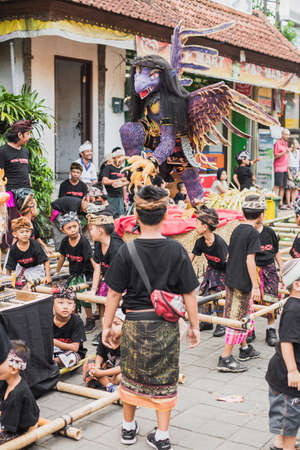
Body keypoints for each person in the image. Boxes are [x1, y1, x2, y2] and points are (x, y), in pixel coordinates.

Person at [102, 185, 200, 449]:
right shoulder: (177, 250)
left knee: (131, 374)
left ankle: (127, 429)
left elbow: (112, 295)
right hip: (166, 326)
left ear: (136, 216)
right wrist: (194, 326)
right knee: (165, 378)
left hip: (134, 324)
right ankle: (163, 436)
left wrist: (106, 326)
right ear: (165, 214)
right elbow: (189, 293)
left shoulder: (126, 250)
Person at [217, 194, 263, 373]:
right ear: (261, 215)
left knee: (241, 313)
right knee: (237, 317)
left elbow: (229, 255)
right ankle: (225, 357)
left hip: (231, 278)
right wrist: (256, 286)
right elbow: (250, 261)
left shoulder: (237, 229)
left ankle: (244, 348)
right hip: (242, 282)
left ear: (243, 212)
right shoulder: (253, 234)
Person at [266, 259, 300, 450]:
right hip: (287, 379)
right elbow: (286, 341)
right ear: (296, 285)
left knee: (290, 422)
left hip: (291, 379)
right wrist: (293, 370)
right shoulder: (294, 309)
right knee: (289, 425)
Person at [87, 208, 124, 345]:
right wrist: (93, 289)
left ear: (100, 231)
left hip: (122, 282)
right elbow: (97, 267)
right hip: (108, 279)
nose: (90, 232)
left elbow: (121, 277)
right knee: (101, 303)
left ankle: (113, 332)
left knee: (112, 305)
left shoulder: (117, 247)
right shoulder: (98, 243)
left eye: (92, 229)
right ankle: (104, 331)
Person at [55, 212, 96, 333]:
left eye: (75, 226)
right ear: (63, 230)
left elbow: (91, 259)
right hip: (73, 273)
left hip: (85, 273)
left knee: (84, 297)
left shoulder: (83, 242)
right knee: (71, 297)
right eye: (69, 228)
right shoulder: (65, 242)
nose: (72, 230)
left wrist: (97, 275)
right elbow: (62, 257)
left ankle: (90, 319)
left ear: (79, 225)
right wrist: (57, 271)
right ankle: (75, 319)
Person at [190, 206, 228, 337]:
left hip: (224, 271)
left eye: (197, 223)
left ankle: (221, 323)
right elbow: (191, 258)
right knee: (205, 291)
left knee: (217, 294)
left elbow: (228, 263)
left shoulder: (220, 244)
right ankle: (207, 321)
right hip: (211, 269)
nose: (195, 226)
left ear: (205, 226)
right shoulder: (200, 242)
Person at [0, 120, 33, 247]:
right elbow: (0, 175)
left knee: (26, 224)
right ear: (20, 135)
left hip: (25, 192)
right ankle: (10, 251)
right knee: (10, 224)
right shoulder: (3, 151)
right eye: (28, 134)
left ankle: (23, 250)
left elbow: (28, 174)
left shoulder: (25, 152)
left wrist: (31, 193)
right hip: (9, 193)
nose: (29, 137)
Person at [0, 340, 39, 444]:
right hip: (11, 421)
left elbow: (7, 428)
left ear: (13, 369)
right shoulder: (7, 382)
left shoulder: (16, 394)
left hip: (20, 431)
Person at [255, 218, 283, 347]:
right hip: (253, 270)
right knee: (252, 300)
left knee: (271, 298)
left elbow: (276, 250)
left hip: (270, 269)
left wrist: (281, 268)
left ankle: (270, 329)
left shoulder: (269, 232)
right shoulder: (248, 233)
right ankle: (250, 330)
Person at [82, 309, 124, 392]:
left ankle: (105, 383)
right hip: (108, 368)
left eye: (116, 324)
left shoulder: (129, 342)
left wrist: (101, 374)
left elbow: (124, 367)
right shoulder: (104, 336)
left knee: (121, 377)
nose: (111, 327)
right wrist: (97, 367)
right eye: (108, 324)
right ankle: (109, 385)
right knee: (89, 363)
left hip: (120, 370)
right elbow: (100, 353)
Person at [6, 217, 51, 288]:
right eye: (22, 232)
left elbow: (46, 261)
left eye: (27, 231)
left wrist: (48, 276)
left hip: (35, 267)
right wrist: (7, 282)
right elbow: (9, 267)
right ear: (15, 234)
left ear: (30, 232)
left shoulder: (35, 245)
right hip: (22, 267)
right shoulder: (14, 249)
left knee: (34, 287)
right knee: (18, 286)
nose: (25, 234)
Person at [53, 292, 87, 368]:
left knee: (71, 358)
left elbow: (75, 348)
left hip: (71, 352)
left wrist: (53, 342)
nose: (65, 307)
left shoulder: (77, 322)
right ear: (52, 305)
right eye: (60, 303)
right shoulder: (47, 320)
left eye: (69, 303)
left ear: (74, 307)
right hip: (53, 350)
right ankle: (51, 363)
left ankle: (50, 363)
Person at [102, 147, 128, 217]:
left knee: (120, 217)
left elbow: (124, 186)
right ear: (113, 158)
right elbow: (104, 181)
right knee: (110, 216)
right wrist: (117, 180)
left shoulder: (124, 169)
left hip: (120, 198)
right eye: (119, 157)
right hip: (110, 197)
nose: (121, 159)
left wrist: (125, 200)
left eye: (122, 157)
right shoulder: (108, 168)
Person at [273, 128, 290, 210]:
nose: (287, 136)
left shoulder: (286, 143)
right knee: (277, 186)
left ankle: (280, 204)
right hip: (279, 168)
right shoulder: (277, 143)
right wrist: (284, 152)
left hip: (285, 168)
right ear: (282, 134)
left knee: (283, 186)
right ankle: (271, 201)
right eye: (286, 134)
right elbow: (275, 156)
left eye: (288, 135)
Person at [286, 139, 300, 208]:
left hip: (296, 170)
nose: (297, 144)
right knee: (289, 188)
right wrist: (289, 174)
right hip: (290, 170)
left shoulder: (298, 152)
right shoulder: (288, 152)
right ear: (292, 145)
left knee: (295, 188)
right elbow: (286, 164)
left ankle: (293, 202)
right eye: (296, 143)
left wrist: (298, 172)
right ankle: (289, 204)